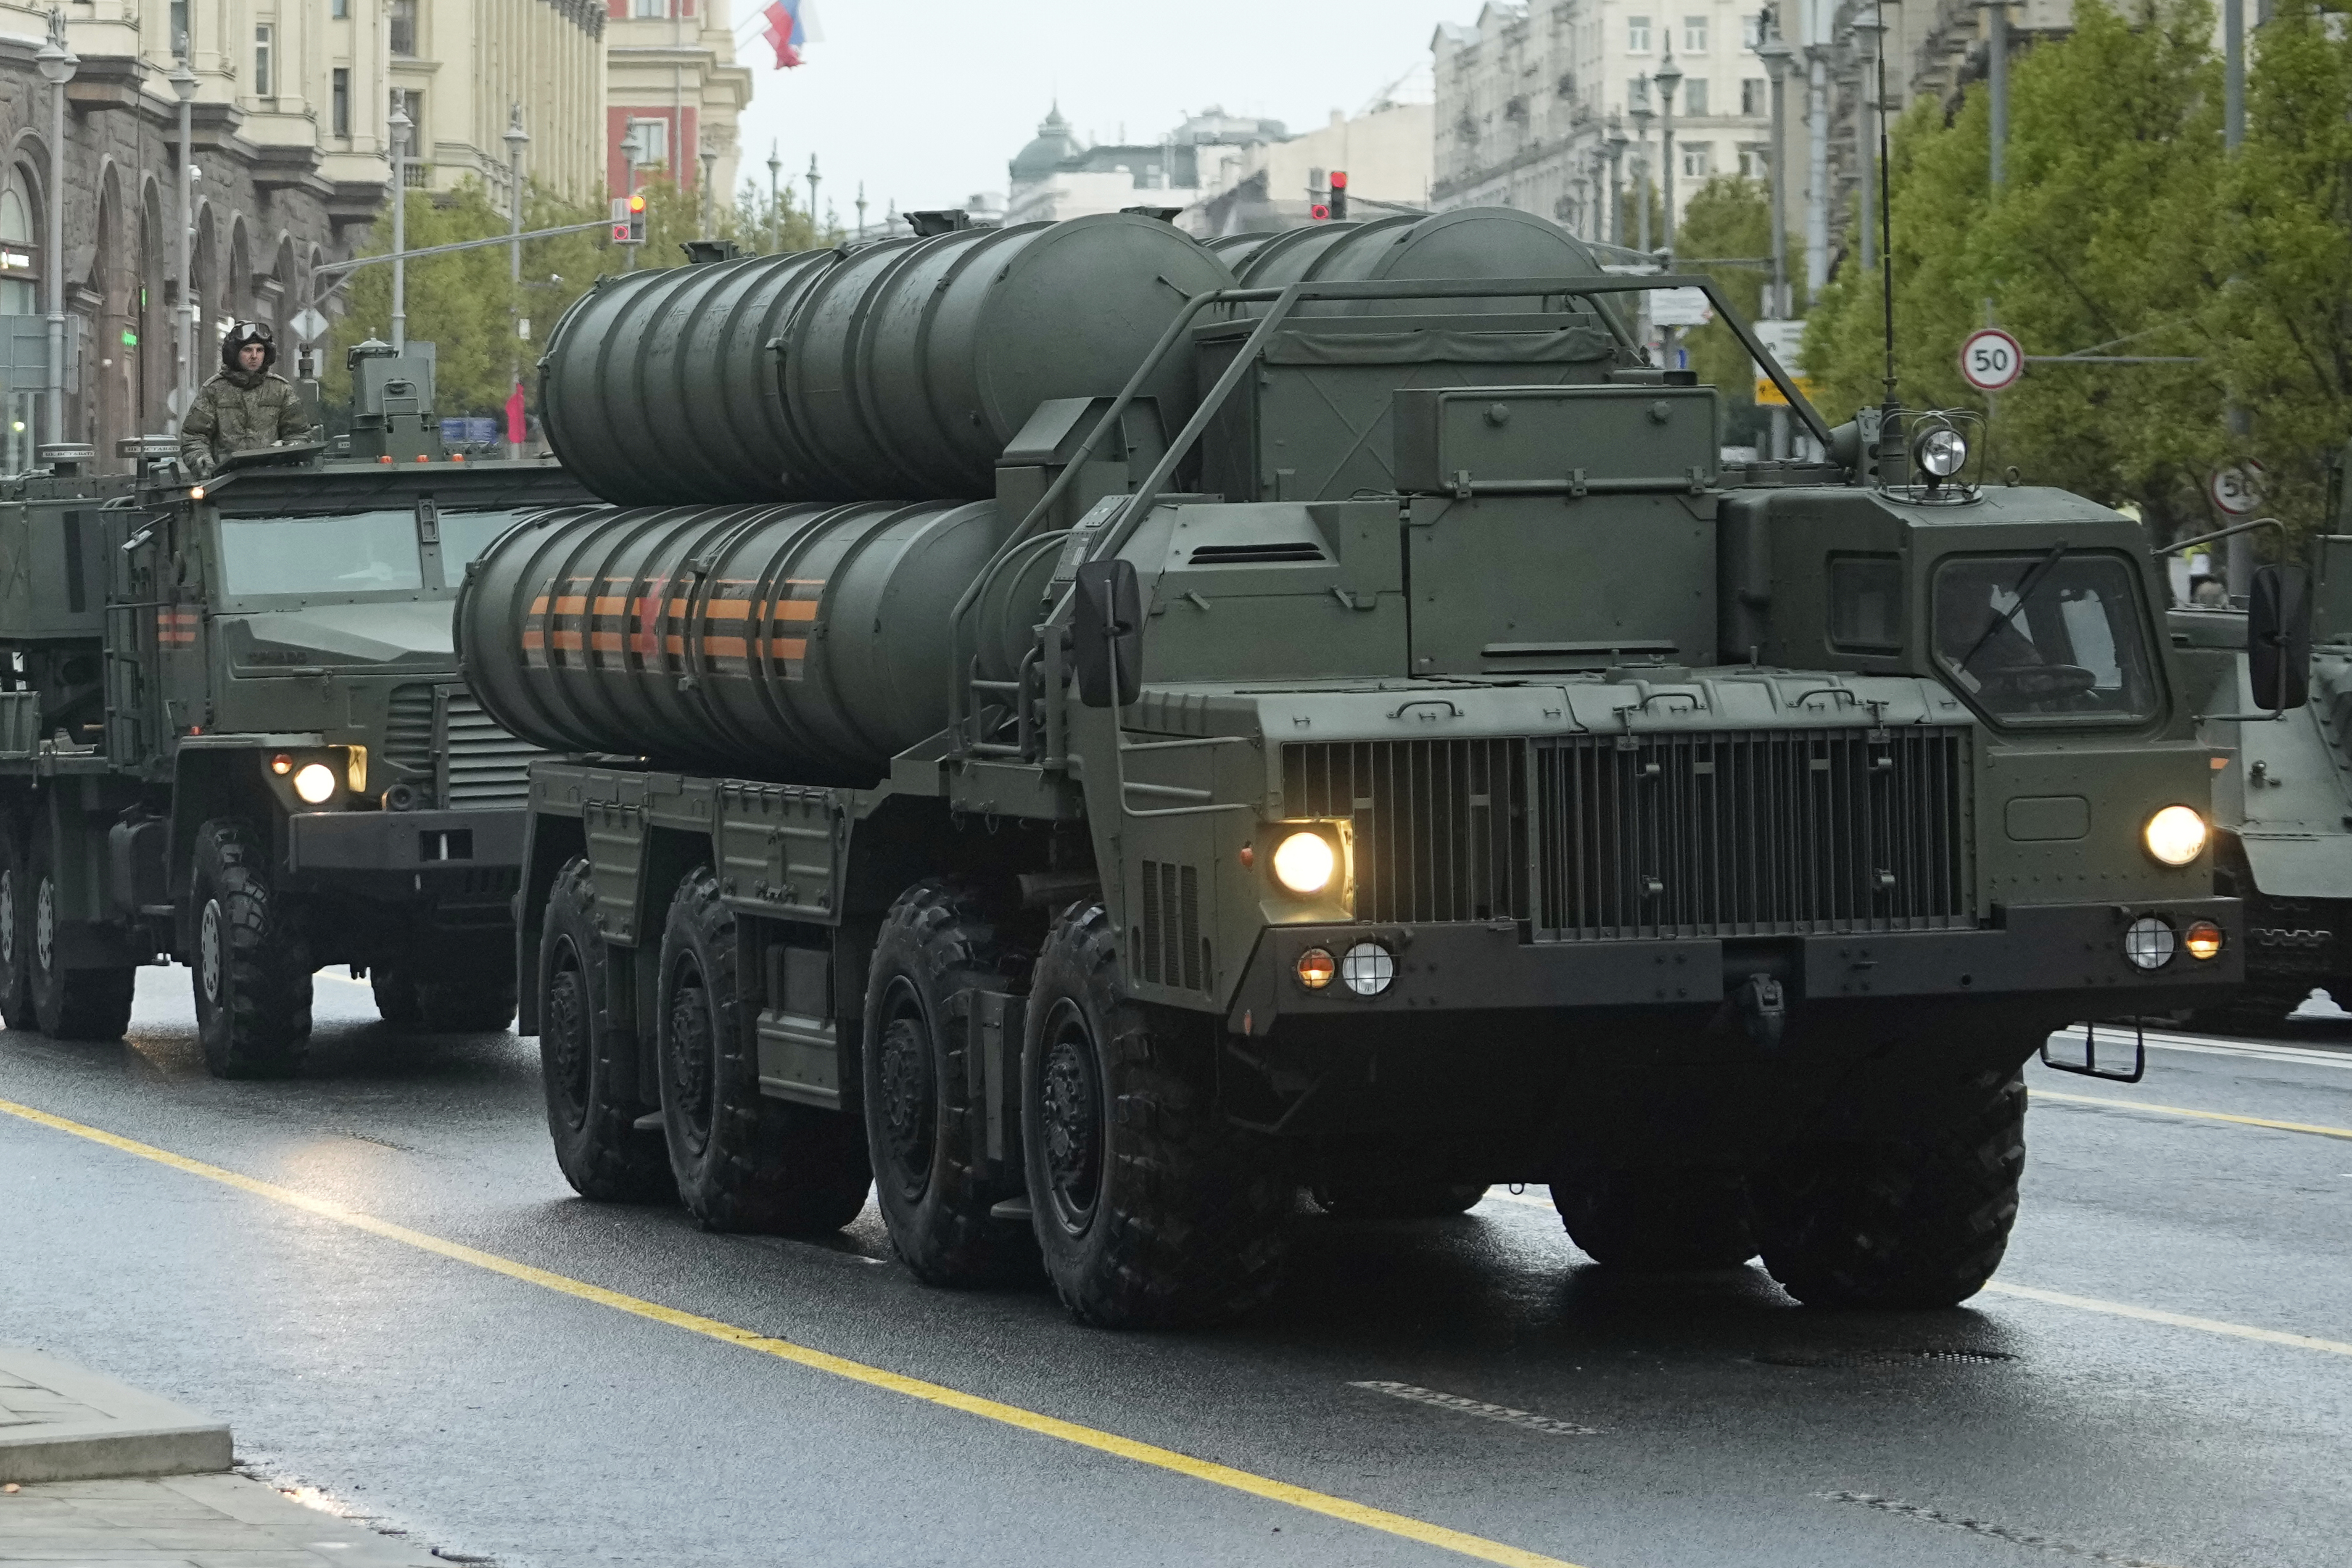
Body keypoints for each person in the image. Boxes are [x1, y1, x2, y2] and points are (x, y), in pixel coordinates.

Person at [177, 321, 318, 477]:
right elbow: (194, 436)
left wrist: (290, 450)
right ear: (234, 353)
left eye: (260, 350)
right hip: (225, 481)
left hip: (274, 481)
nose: (254, 356)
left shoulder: (280, 389)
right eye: (247, 350)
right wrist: (203, 464)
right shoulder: (214, 389)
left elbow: (300, 433)